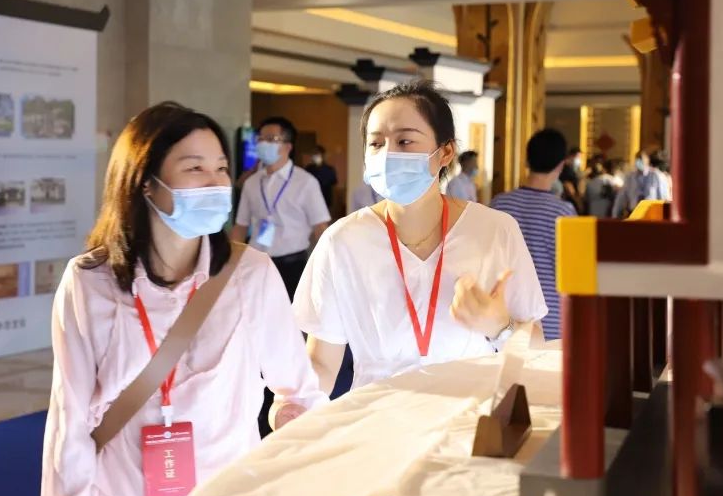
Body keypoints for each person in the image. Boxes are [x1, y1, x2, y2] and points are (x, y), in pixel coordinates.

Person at [41, 102, 325, 496]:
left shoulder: (250, 274)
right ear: (146, 182)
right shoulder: (90, 281)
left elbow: (298, 390)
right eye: (195, 168)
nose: (215, 182)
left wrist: (289, 418)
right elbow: (71, 414)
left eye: (221, 168)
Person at [295, 80, 547, 395]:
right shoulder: (343, 240)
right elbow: (321, 361)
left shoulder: (495, 230)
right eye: (376, 143)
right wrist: (290, 402)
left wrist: (499, 325)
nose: (388, 154)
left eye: (405, 141)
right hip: (377, 413)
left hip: (469, 412)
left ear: (445, 152)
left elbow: (537, 349)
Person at [490, 129, 577, 341]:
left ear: (527, 161)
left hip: (503, 319)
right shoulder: (563, 212)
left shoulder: (499, 204)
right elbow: (572, 276)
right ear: (561, 165)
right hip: (550, 321)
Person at [230, 116, 331, 300]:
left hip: (293, 265)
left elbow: (320, 228)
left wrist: (325, 268)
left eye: (271, 139)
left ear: (288, 146)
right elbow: (240, 226)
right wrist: (230, 262)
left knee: (292, 316)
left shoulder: (306, 182)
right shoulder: (251, 183)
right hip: (257, 263)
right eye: (260, 139)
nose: (263, 144)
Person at [612, 150, 670, 218]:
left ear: (647, 160)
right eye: (637, 159)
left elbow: (664, 197)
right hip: (634, 213)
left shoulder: (656, 175)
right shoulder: (630, 177)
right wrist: (615, 215)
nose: (639, 161)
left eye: (641, 158)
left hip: (652, 214)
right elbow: (621, 197)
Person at [305, 144, 338, 210]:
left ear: (323, 155)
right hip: (310, 200)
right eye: (313, 154)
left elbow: (334, 182)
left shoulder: (329, 169)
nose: (315, 156)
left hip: (325, 200)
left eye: (317, 154)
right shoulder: (308, 169)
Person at [559, 146, 584, 213]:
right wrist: (577, 201)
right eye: (577, 157)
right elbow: (568, 185)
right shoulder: (565, 168)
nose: (579, 159)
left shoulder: (574, 169)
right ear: (571, 156)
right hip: (569, 198)